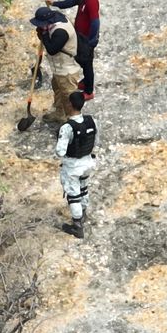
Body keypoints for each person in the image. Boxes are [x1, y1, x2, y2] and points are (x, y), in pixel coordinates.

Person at [47, 0, 100, 98]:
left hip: (86, 38)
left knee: (86, 63)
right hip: (79, 34)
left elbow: (95, 22)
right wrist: (55, 4)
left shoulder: (91, 1)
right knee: (79, 58)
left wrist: (91, 42)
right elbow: (71, 2)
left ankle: (89, 91)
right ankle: (85, 81)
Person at [56, 91, 98, 239]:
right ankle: (83, 213)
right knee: (83, 188)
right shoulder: (91, 121)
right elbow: (95, 141)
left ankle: (77, 226)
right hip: (88, 162)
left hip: (73, 166)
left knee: (73, 195)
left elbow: (60, 152)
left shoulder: (67, 127)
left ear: (70, 104)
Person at [31, 5, 85, 118]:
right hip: (59, 69)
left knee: (69, 97)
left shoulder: (61, 31)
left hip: (67, 71)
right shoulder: (55, 19)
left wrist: (44, 35)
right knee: (58, 90)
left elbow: (52, 50)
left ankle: (71, 122)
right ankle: (59, 114)